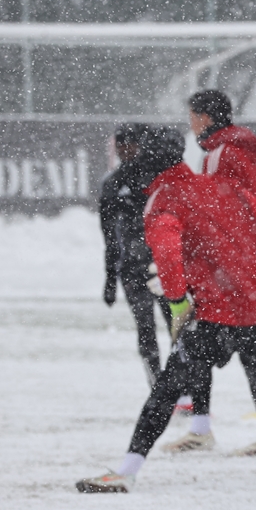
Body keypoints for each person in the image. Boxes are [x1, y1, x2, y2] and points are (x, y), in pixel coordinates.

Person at [75, 127, 256, 492]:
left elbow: (167, 254)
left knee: (168, 388)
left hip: (215, 314)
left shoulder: (162, 201)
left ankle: (127, 470)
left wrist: (177, 302)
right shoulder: (220, 185)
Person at [158, 90, 256, 452]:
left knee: (194, 342)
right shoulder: (248, 151)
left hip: (224, 266)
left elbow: (215, 212)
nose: (190, 123)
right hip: (248, 261)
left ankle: (201, 428)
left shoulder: (218, 155)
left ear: (205, 118)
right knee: (255, 348)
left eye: (192, 115)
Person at [98, 123, 169, 386]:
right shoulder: (113, 184)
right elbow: (108, 236)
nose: (124, 151)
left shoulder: (157, 179)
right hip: (131, 270)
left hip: (162, 267)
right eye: (120, 146)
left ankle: (181, 387)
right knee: (145, 329)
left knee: (177, 325)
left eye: (130, 145)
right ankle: (157, 386)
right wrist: (110, 278)